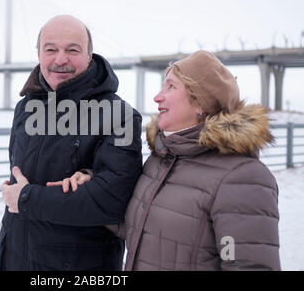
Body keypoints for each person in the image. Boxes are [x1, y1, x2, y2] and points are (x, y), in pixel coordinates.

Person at [55, 50, 281, 270]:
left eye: (171, 86)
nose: (157, 96)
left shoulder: (242, 178)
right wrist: (95, 184)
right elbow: (140, 226)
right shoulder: (162, 160)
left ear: (200, 102)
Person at [0, 15, 143, 271]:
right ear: (39, 54)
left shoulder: (120, 115)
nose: (60, 59)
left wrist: (27, 199)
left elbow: (113, 200)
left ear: (89, 55)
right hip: (14, 257)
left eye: (72, 50)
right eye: (50, 49)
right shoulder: (26, 108)